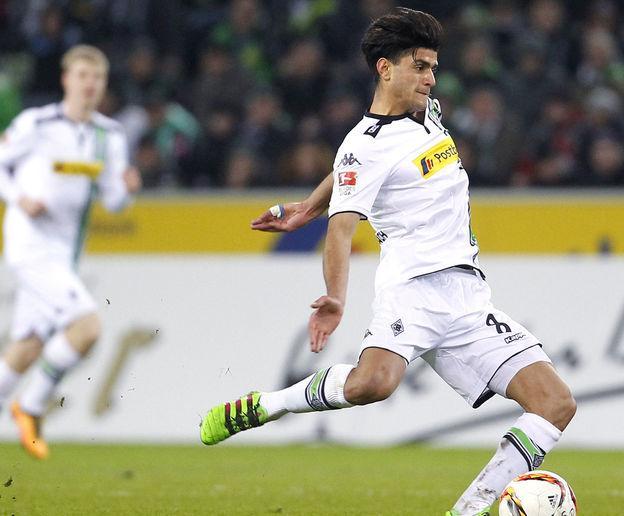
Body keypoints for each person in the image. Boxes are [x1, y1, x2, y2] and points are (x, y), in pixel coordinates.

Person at [198, 8, 576, 516]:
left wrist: (305, 205)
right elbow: (342, 227)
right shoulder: (364, 145)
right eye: (420, 66)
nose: (430, 78)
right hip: (413, 290)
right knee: (372, 385)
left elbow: (338, 183)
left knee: (556, 404)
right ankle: (264, 406)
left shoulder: (428, 113)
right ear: (385, 68)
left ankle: (469, 510)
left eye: (433, 67)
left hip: (467, 295)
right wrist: (335, 296)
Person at [0, 45, 142, 459]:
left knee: (26, 347)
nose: (89, 84)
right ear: (66, 80)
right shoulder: (37, 123)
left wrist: (128, 190)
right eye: (82, 75)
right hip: (29, 243)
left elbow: (113, 201)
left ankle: (23, 401)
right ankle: (30, 406)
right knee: (86, 327)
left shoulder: (109, 136)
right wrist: (20, 198)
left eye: (96, 77)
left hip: (63, 254)